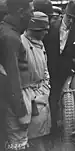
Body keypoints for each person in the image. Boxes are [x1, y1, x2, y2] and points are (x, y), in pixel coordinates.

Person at [43, 0, 75, 137]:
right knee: (49, 99)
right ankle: (50, 128)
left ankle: (60, 127)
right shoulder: (51, 27)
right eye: (70, 18)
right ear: (64, 15)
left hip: (66, 71)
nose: (71, 21)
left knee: (64, 100)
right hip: (49, 69)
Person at [0, 0, 34, 150]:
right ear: (21, 12)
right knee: (17, 144)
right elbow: (13, 77)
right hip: (13, 106)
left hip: (9, 101)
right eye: (31, 11)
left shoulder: (7, 31)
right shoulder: (10, 37)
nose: (32, 15)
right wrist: (21, 111)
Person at [20, 11, 51, 151]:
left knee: (41, 135)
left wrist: (45, 89)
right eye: (43, 30)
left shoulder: (41, 43)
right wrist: (32, 96)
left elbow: (45, 70)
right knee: (31, 140)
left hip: (42, 94)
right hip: (27, 97)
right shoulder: (21, 43)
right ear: (35, 30)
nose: (46, 33)